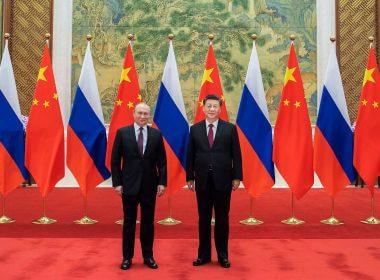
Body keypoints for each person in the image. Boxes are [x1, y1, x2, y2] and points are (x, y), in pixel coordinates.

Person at [186, 94, 242, 268]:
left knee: (222, 219)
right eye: (208, 106)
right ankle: (203, 255)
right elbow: (190, 155)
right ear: (203, 108)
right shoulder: (194, 129)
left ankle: (223, 255)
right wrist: (190, 176)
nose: (211, 109)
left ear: (220, 108)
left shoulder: (230, 129)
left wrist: (237, 177)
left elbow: (237, 156)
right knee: (203, 218)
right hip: (202, 180)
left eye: (215, 106)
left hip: (223, 180)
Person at [111, 102, 167, 270]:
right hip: (128, 185)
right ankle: (127, 257)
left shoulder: (157, 135)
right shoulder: (122, 133)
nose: (143, 117)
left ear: (149, 116)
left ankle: (148, 256)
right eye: (140, 113)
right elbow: (115, 161)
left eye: (146, 114)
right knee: (129, 222)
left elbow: (162, 162)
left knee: (148, 223)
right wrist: (117, 183)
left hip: (150, 186)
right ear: (133, 114)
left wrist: (162, 182)